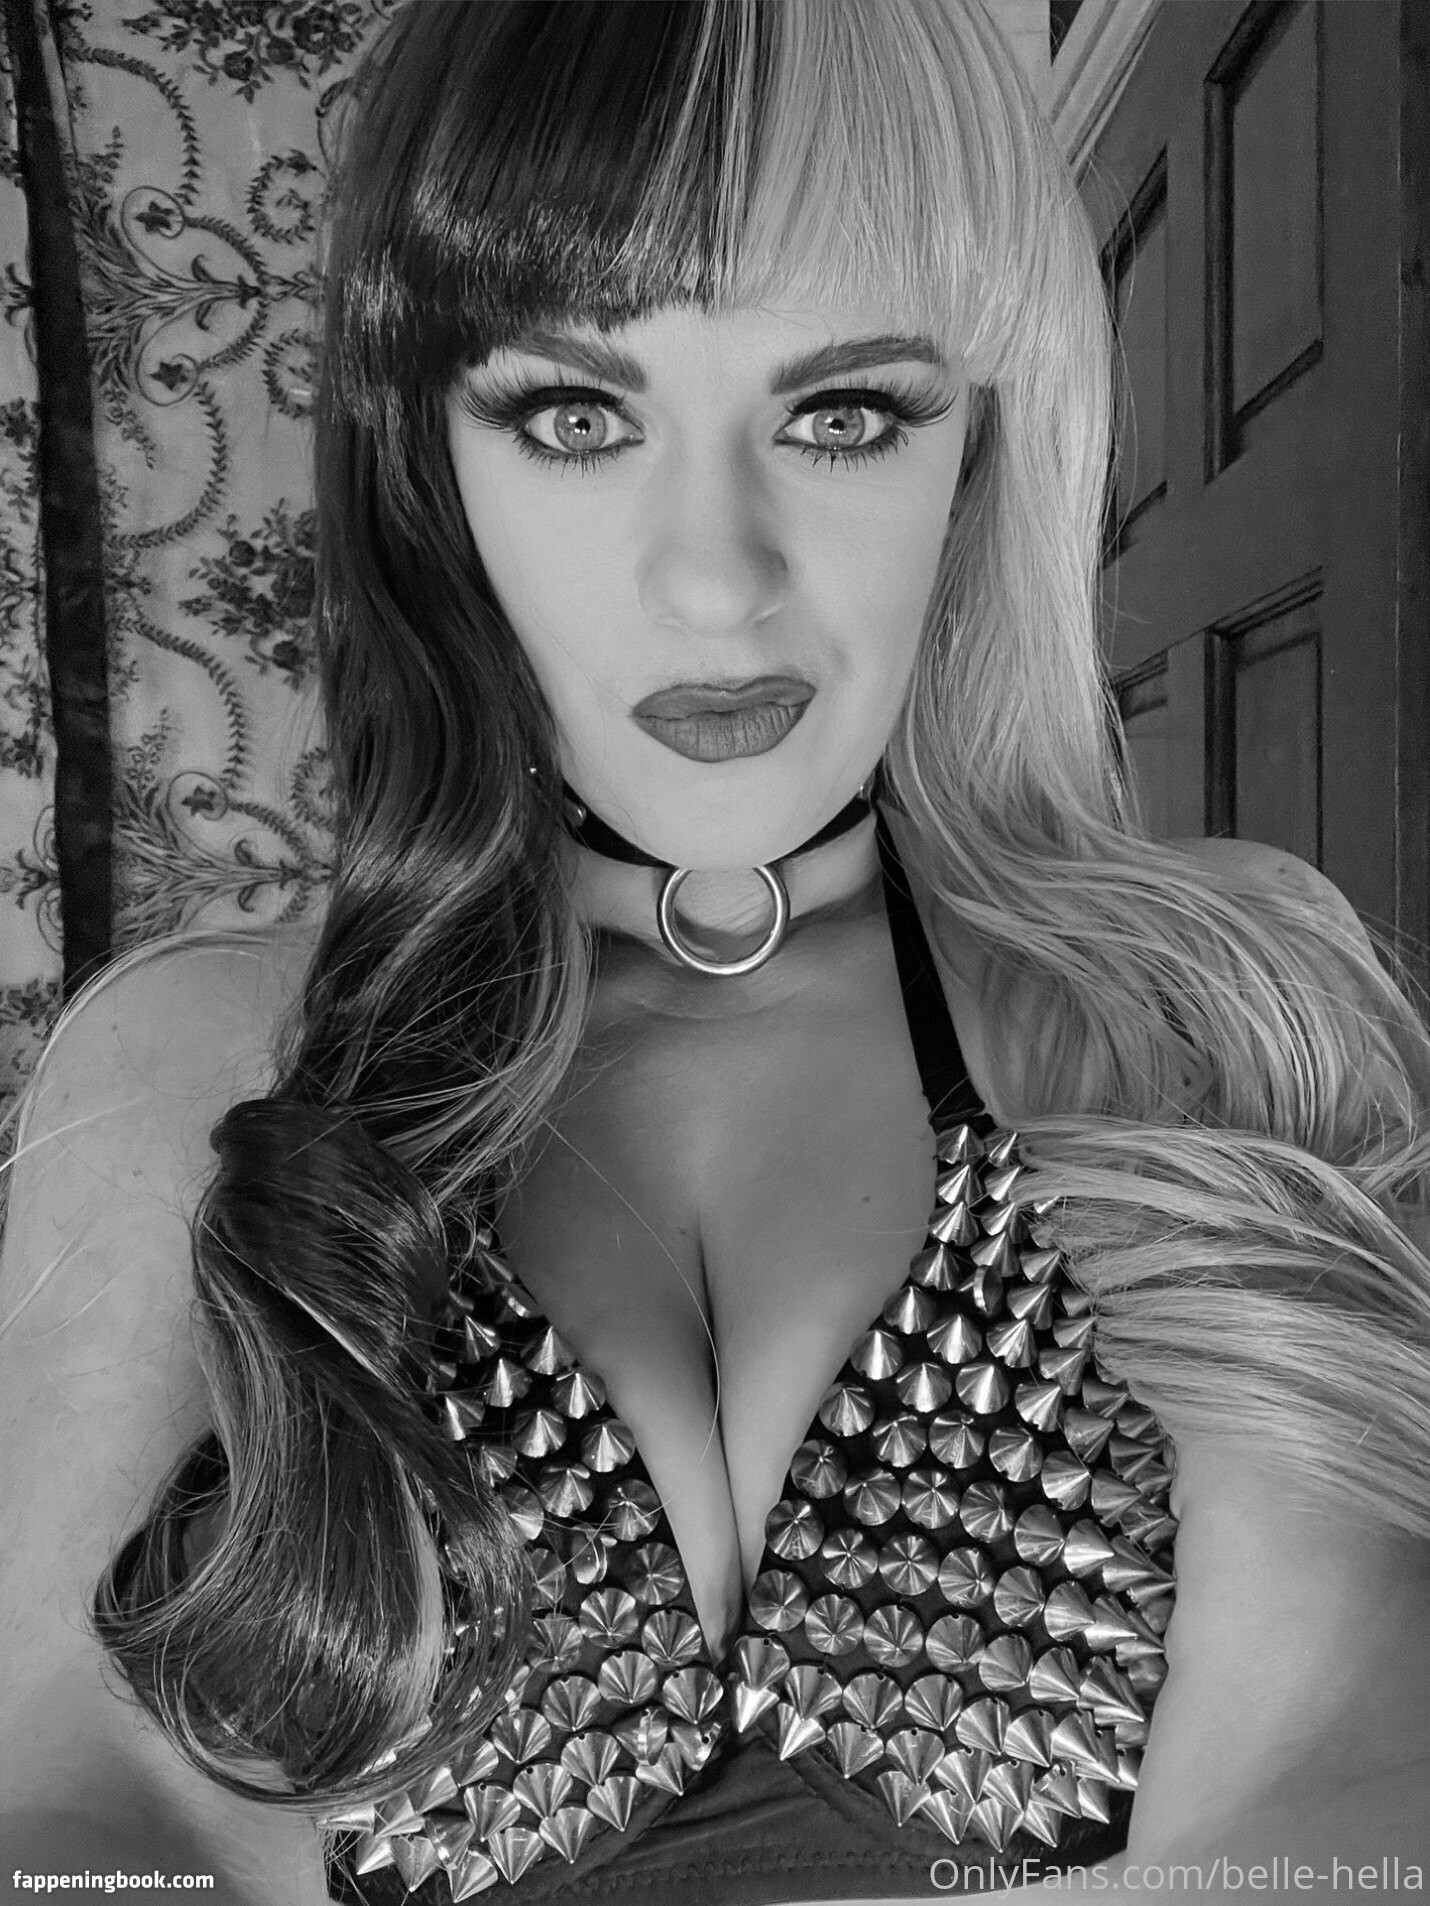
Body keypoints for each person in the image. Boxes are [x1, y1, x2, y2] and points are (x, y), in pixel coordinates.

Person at [3, 2, 1429, 1902]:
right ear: (431, 467)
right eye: (576, 417)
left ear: (980, 447)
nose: (714, 576)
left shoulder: (1216, 1013)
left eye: (842, 415)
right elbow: (83, 1804)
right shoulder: (190, 1061)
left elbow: (1338, 1793)